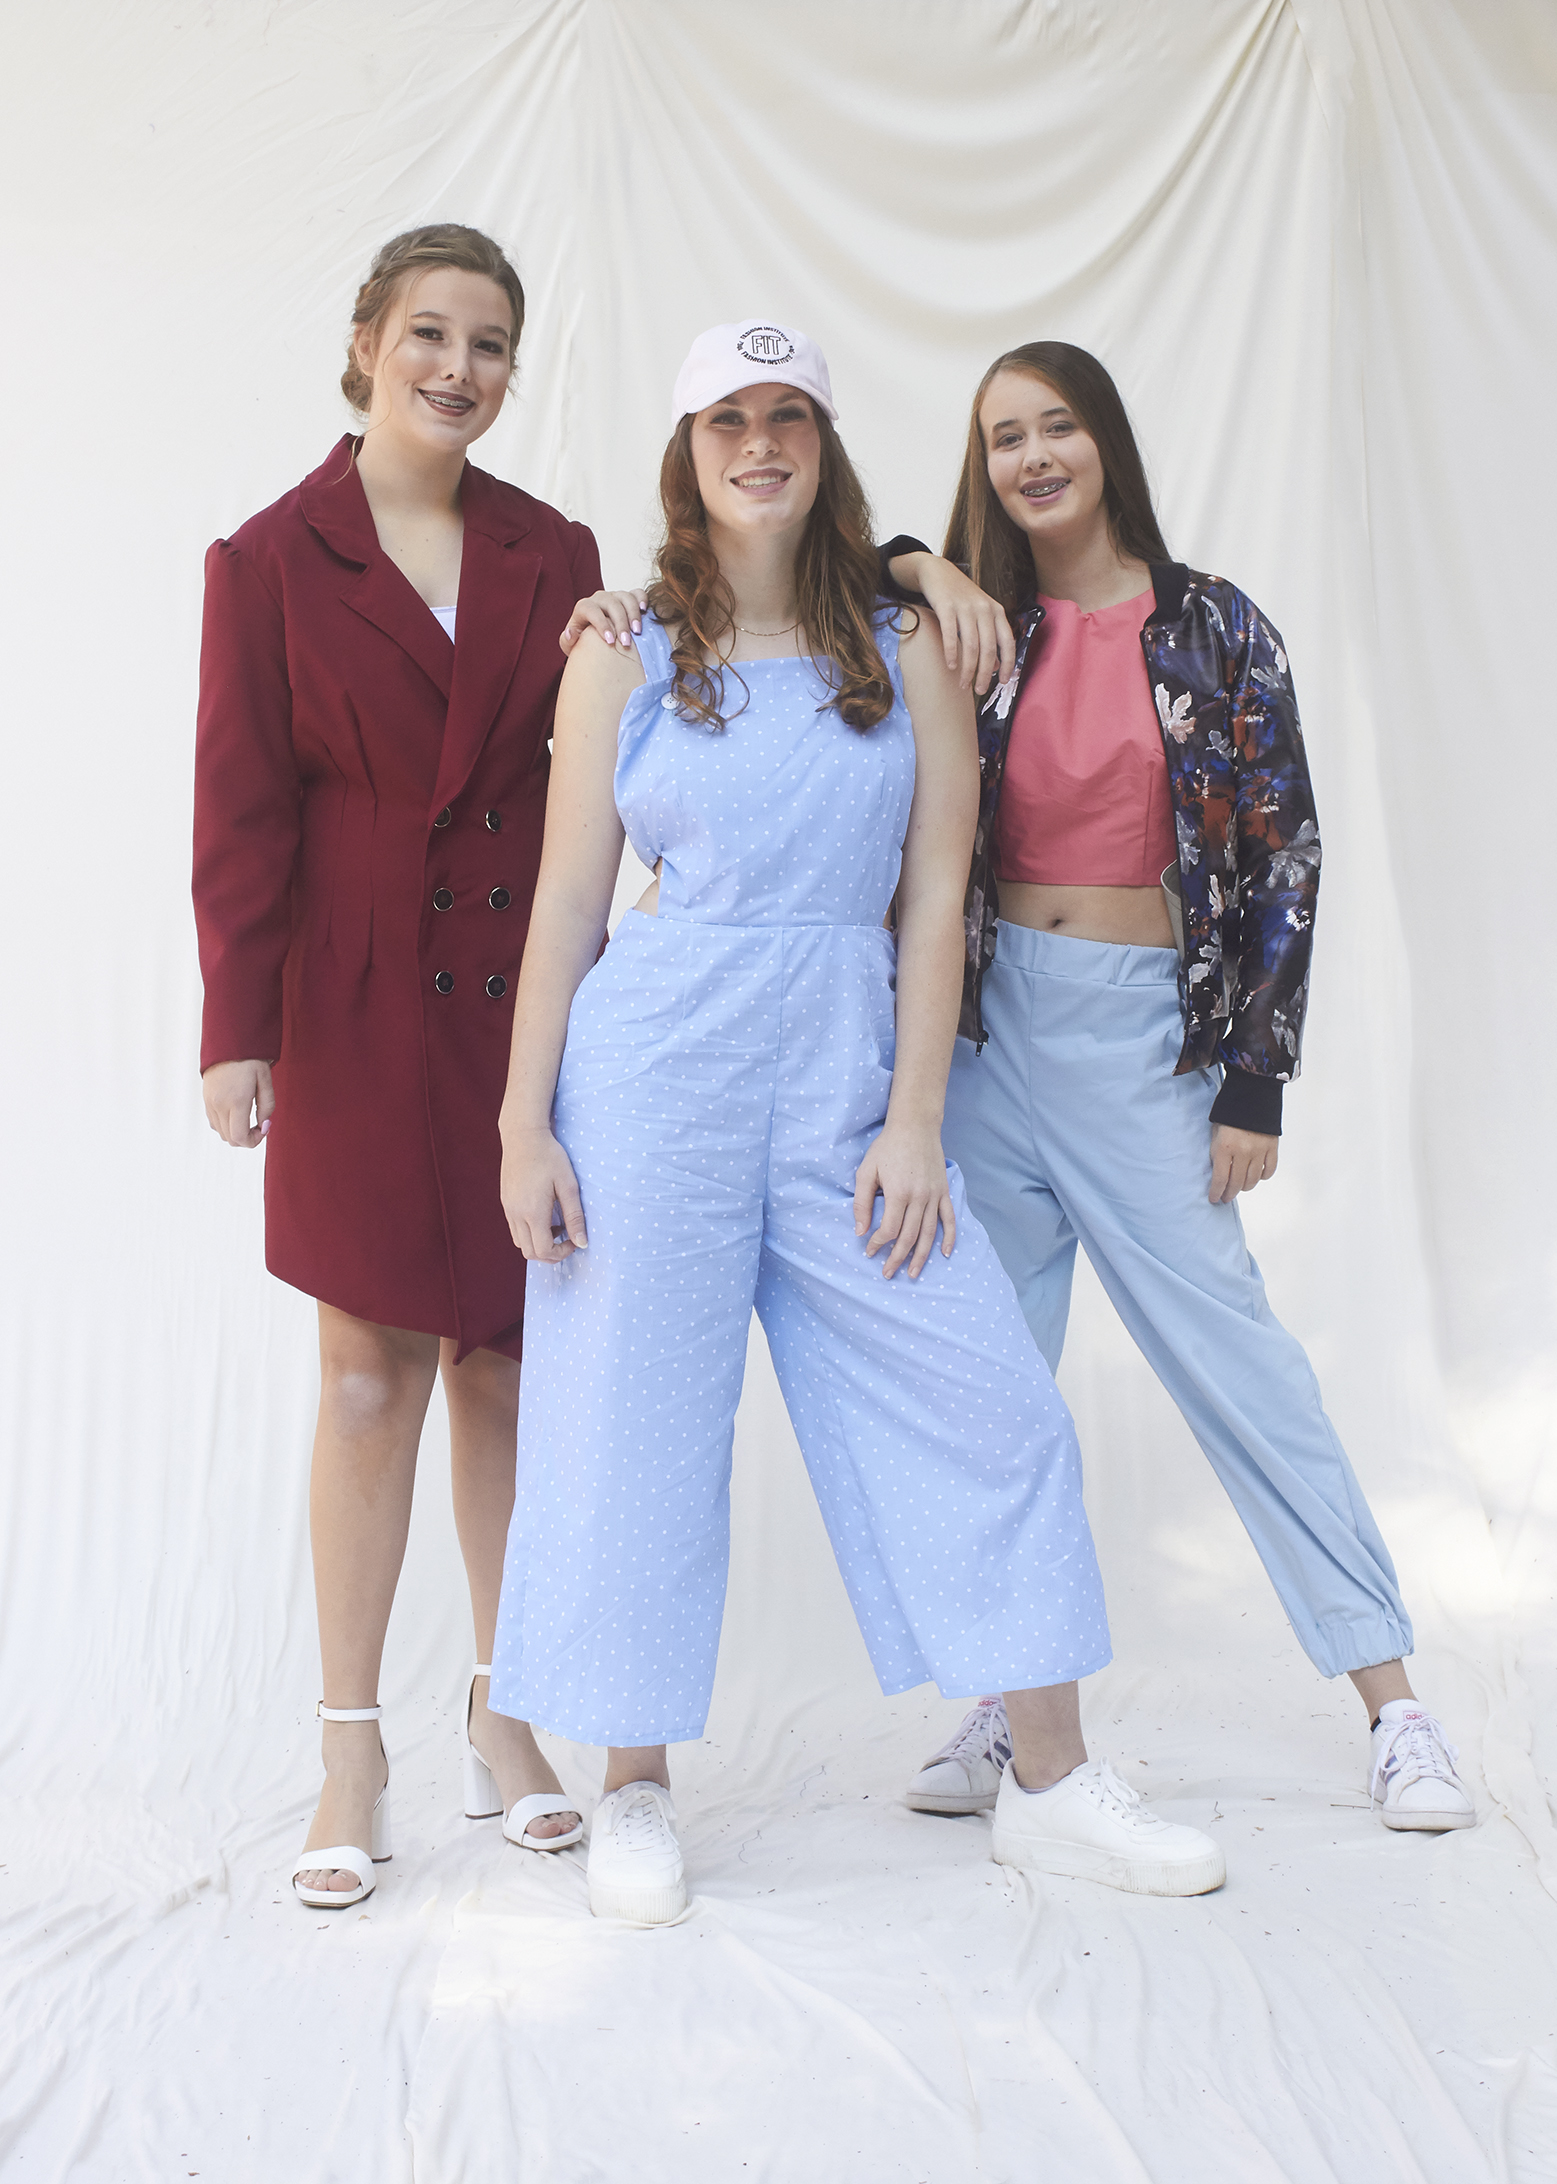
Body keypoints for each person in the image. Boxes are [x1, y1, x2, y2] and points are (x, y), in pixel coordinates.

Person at [489, 319, 1226, 1926]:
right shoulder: (621, 647)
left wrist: (909, 1121)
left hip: (842, 1072)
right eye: (728, 420)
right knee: (632, 1426)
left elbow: (941, 891)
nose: (759, 444)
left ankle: (1052, 1781)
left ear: (825, 445)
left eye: (790, 418)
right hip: (653, 1069)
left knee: (988, 1409)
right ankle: (632, 1789)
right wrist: (521, 1126)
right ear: (686, 450)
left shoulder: (907, 646)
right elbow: (564, 905)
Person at [870, 342, 1473, 1839]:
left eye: (1055, 426)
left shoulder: (1216, 629)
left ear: (1105, 440)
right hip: (988, 1045)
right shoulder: (964, 624)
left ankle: (1395, 1706)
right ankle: (1015, 1708)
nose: (1030, 458)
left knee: (1243, 1371)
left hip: (1146, 1046)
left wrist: (1253, 1082)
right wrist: (910, 560)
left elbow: (1286, 859)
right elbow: (820, 582)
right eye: (1002, 437)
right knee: (990, 1385)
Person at [194, 225, 596, 1910]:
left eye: (491, 343)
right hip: (353, 1006)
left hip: (520, 1002)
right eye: (429, 332)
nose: (459, 367)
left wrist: (921, 565)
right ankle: (351, 1745)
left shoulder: (556, 547)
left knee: (505, 1365)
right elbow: (239, 807)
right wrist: (238, 1027)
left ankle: (506, 1719)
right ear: (364, 342)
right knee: (367, 1375)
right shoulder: (271, 555)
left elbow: (693, 665)